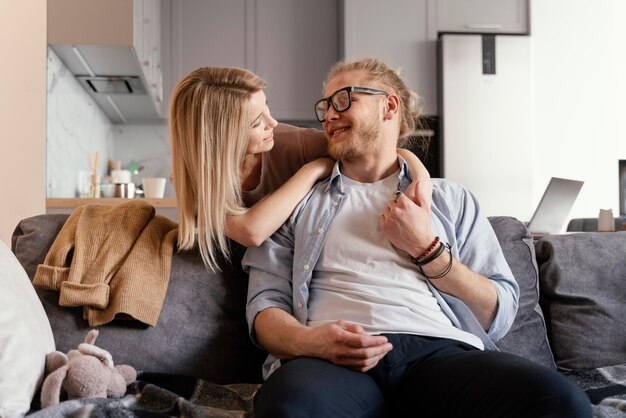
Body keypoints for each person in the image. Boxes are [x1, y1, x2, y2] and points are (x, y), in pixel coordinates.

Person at [243, 58, 592, 418]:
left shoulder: (449, 199)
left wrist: (429, 251)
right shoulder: (296, 203)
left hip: (438, 354)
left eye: (344, 100)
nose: (329, 115)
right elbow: (264, 307)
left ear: (389, 105)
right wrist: (310, 343)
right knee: (289, 407)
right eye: (325, 106)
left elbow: (498, 314)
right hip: (332, 360)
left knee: (561, 401)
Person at [169, 66, 432, 271]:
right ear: (221, 137)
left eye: (267, 107)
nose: (273, 122)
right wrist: (313, 171)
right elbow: (251, 231)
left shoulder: (294, 143)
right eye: (257, 122)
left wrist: (421, 177)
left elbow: (373, 151)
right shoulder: (194, 175)